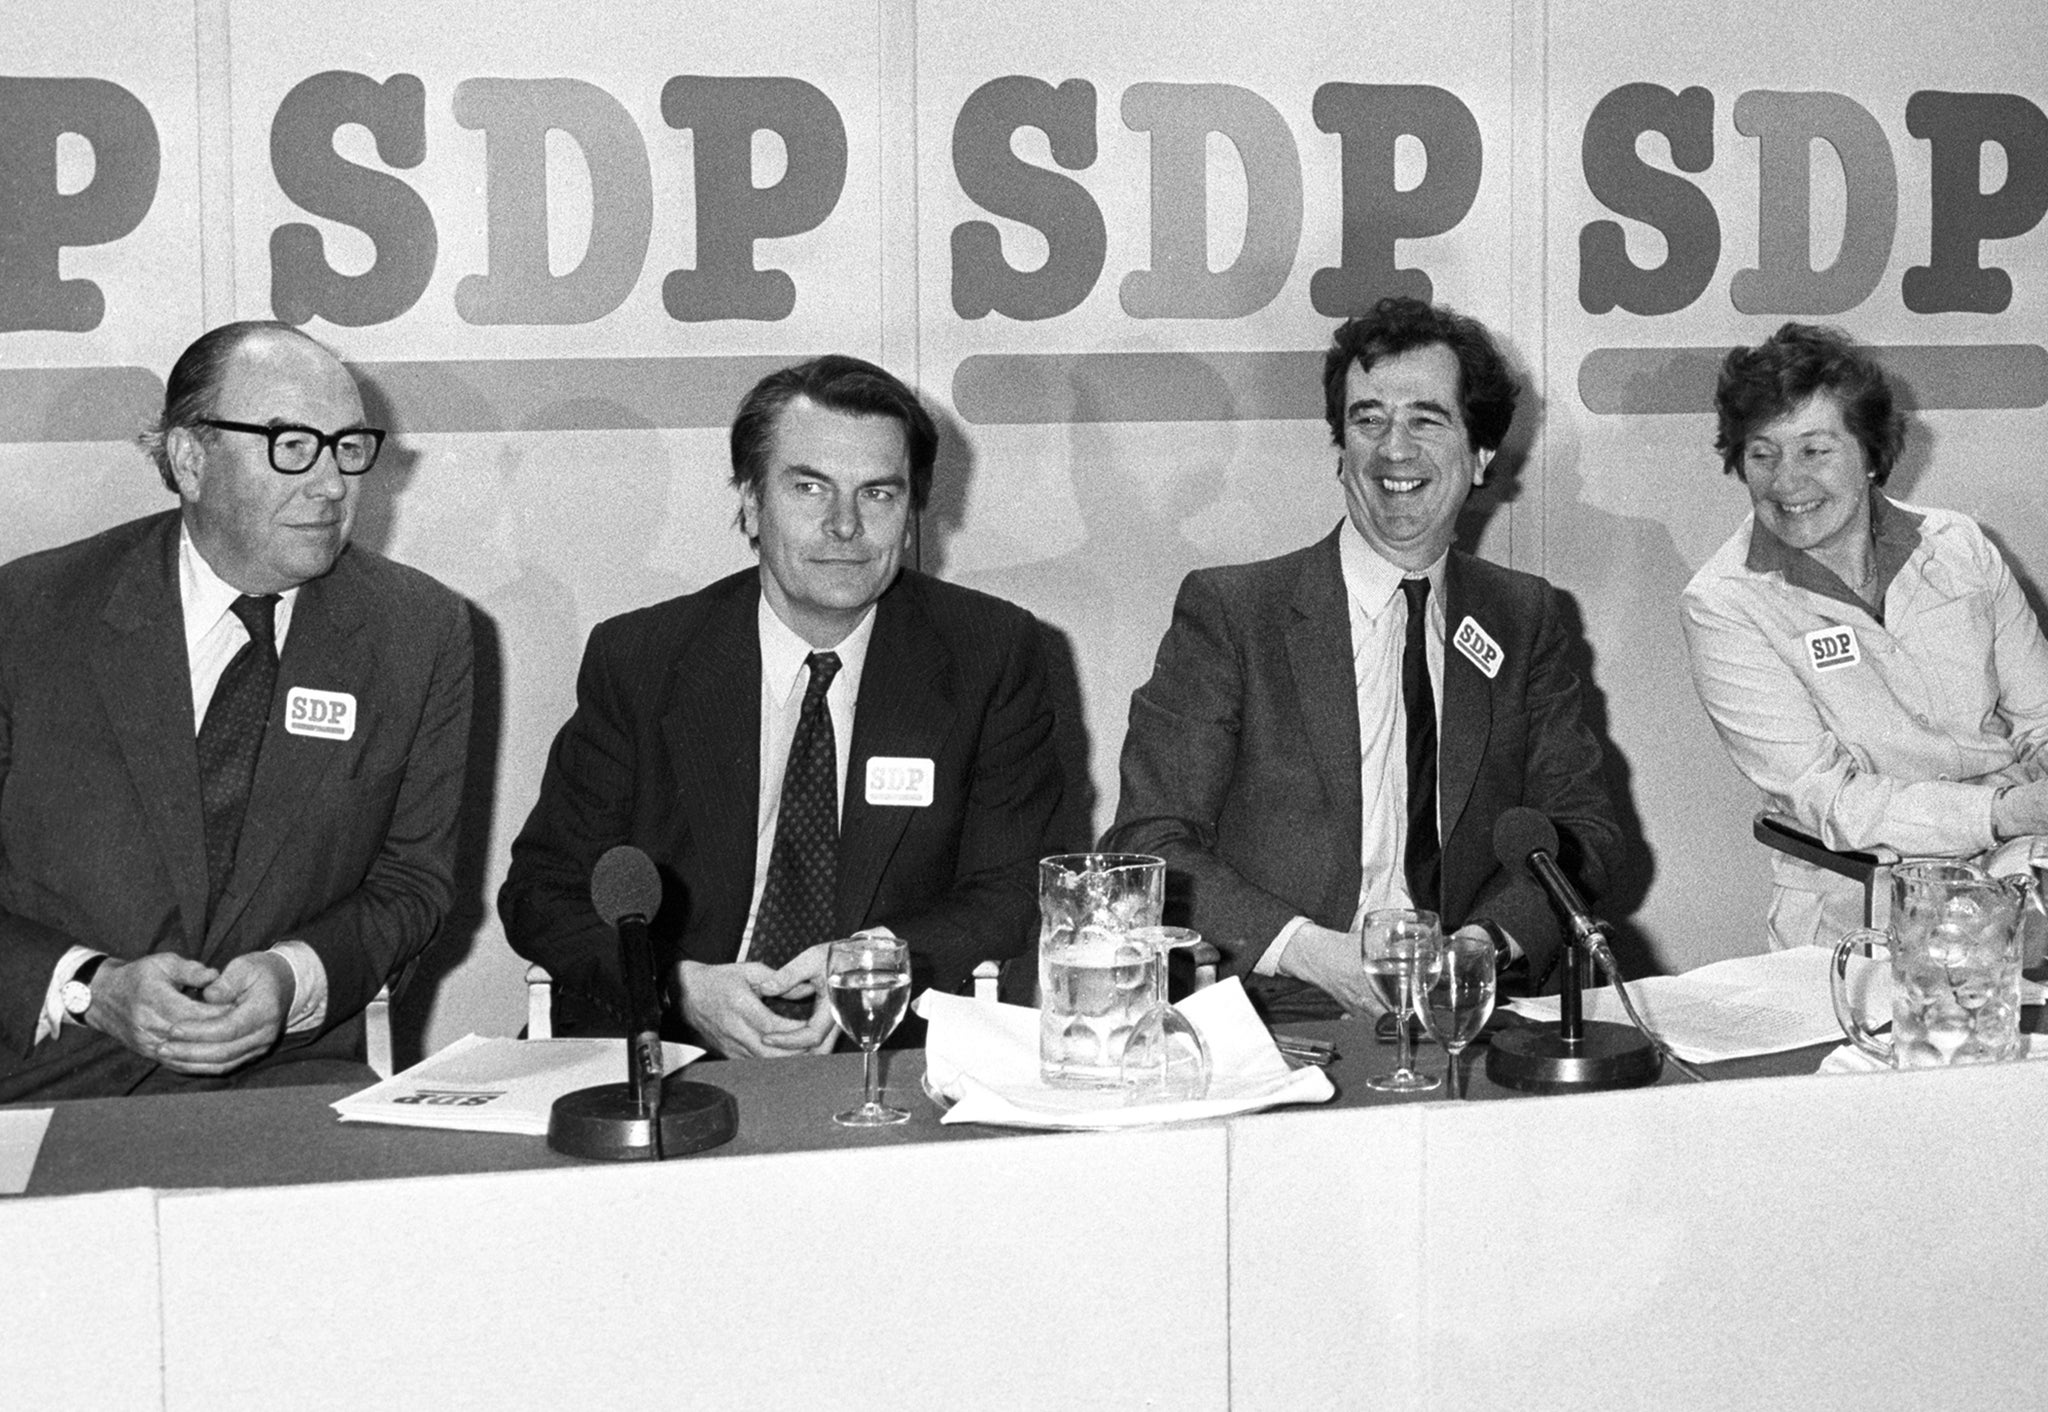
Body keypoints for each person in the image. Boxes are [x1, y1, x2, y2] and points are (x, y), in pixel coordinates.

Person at [500, 355, 1062, 1058]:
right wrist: (672, 985)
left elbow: (1013, 887)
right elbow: (543, 891)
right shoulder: (642, 658)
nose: (845, 527)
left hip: (880, 1047)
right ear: (749, 501)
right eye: (808, 488)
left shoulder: (992, 653)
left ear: (913, 513)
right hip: (667, 1042)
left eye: (879, 494)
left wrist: (876, 964)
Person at [1104, 297, 1621, 1022]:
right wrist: (1311, 952)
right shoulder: (1234, 612)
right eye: (1367, 419)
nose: (1393, 449)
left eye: (1426, 419)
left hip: (1470, 1007)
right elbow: (1148, 842)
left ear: (1479, 456)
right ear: (1340, 451)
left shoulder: (1523, 616)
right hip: (1280, 1006)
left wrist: (1480, 949)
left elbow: (1582, 832)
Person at [0, 321, 473, 1102]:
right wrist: (89, 986)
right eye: (293, 445)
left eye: (350, 446)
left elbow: (411, 885)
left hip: (289, 1084)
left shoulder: (418, 632)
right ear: (190, 460)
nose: (331, 485)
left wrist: (292, 979)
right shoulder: (30, 615)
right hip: (51, 1080)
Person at [1682, 322, 2048, 950]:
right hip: (1861, 910)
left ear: (1872, 454)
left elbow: (2040, 717)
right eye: (1762, 453)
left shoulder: (1958, 544)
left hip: (2021, 872)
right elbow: (1832, 801)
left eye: (1815, 451)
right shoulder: (1723, 604)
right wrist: (2001, 812)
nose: (1785, 482)